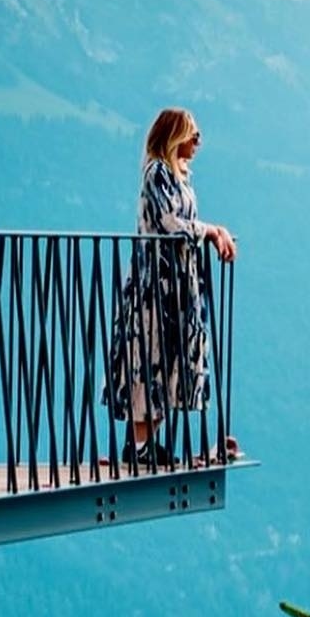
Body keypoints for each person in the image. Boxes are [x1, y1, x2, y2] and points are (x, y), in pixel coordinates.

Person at [105, 107, 239, 468]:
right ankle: (140, 444)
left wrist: (213, 230)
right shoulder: (158, 173)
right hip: (157, 284)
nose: (198, 142)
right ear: (175, 135)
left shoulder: (179, 176)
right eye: (193, 135)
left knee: (169, 358)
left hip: (177, 284)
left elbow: (184, 222)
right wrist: (210, 231)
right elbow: (169, 222)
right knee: (148, 357)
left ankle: (147, 442)